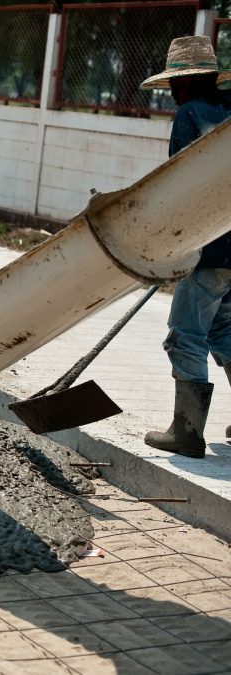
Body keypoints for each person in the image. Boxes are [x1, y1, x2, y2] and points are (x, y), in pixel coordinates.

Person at [141, 35, 231, 459]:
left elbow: (182, 187)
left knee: (186, 336)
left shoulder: (190, 114)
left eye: (176, 84)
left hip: (210, 247)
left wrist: (173, 242)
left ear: (188, 82)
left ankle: (187, 431)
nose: (173, 92)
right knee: (225, 331)